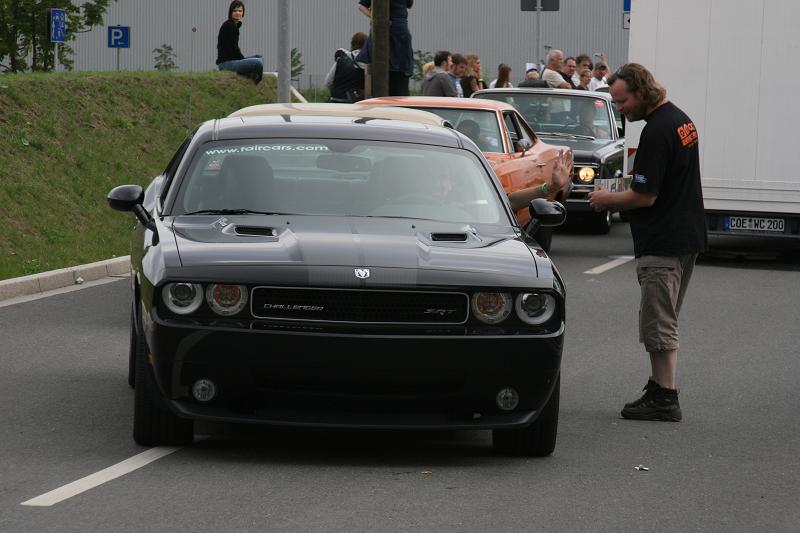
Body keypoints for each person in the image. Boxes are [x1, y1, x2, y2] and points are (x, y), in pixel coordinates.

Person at [587, 63, 707, 422]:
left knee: (658, 321)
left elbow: (645, 196)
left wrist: (605, 200)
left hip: (662, 241)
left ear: (641, 92)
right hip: (685, 235)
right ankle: (658, 386)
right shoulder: (680, 120)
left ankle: (665, 397)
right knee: (664, 316)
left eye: (622, 101)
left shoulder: (656, 131)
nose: (620, 108)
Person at [356, 0, 414, 96]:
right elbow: (361, 6)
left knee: (398, 71)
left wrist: (376, 18)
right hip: (391, 30)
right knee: (390, 70)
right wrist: (378, 18)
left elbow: (361, 6)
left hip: (396, 30)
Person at [216, 0, 264, 84]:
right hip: (226, 64)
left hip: (233, 60)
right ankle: (254, 82)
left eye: (240, 11)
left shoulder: (234, 25)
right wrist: (243, 60)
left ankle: (246, 74)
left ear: (243, 13)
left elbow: (234, 50)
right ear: (230, 12)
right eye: (235, 11)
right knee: (258, 63)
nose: (238, 13)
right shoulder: (229, 26)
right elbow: (233, 49)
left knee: (259, 57)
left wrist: (243, 60)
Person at [325, 32, 367, 103]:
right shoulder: (368, 62)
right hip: (355, 102)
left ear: (352, 44)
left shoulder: (341, 59)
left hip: (336, 101)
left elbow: (328, 82)